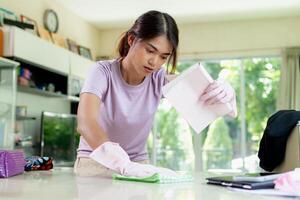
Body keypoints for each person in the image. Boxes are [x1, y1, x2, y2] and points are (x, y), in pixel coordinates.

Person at [73, 10, 237, 177]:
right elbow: (86, 123)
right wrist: (121, 164)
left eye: (163, 57)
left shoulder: (159, 79)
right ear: (131, 39)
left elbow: (200, 90)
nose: (154, 62)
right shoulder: (102, 72)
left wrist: (226, 91)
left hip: (137, 165)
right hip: (94, 162)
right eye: (150, 51)